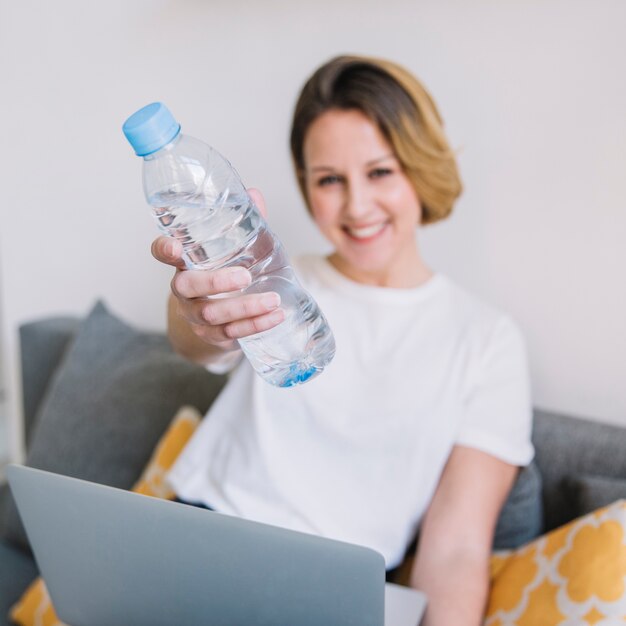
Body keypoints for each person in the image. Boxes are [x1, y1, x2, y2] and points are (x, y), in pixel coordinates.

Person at [151, 55, 534, 625]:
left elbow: (455, 551)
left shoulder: (487, 341)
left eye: (380, 172)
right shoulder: (276, 275)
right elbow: (199, 343)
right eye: (330, 179)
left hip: (330, 596)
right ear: (306, 186)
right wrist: (196, 313)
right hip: (196, 540)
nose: (357, 206)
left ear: (420, 169)